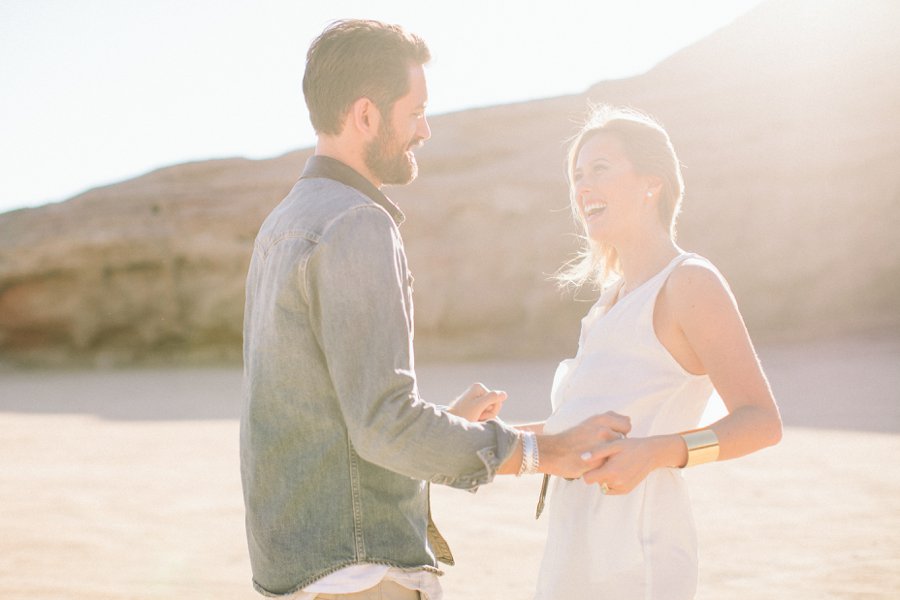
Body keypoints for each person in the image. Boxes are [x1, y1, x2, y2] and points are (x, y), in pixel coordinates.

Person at [239, 20, 630, 600]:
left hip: (299, 568)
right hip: (360, 573)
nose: (424, 130)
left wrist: (444, 423)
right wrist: (543, 452)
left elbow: (341, 417)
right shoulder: (356, 223)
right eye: (415, 111)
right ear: (366, 115)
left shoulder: (282, 225)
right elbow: (384, 425)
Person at [529, 105, 783, 599]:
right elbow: (576, 431)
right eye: (577, 176)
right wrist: (476, 432)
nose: (583, 187)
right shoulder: (606, 305)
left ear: (652, 183)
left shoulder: (688, 282)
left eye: (600, 169)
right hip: (573, 549)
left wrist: (657, 452)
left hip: (638, 556)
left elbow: (762, 423)